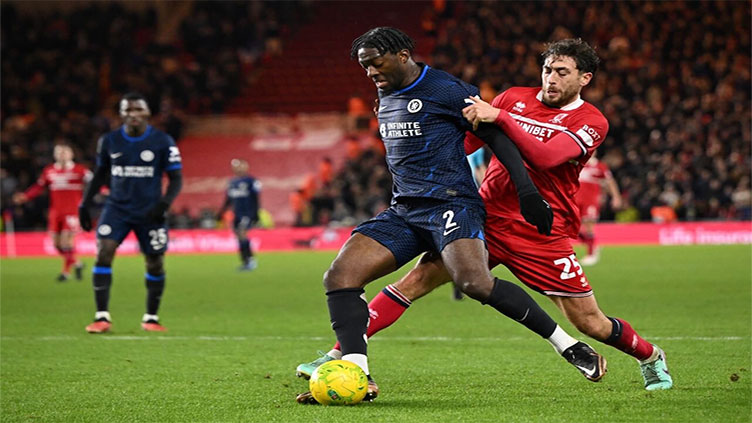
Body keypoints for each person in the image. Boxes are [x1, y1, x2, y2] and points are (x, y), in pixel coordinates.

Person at [298, 38, 672, 392]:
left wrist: (501, 117)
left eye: (562, 72)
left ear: (584, 78)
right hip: (483, 216)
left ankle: (650, 356)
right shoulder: (513, 98)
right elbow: (467, 141)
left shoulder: (591, 121)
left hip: (541, 229)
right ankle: (338, 356)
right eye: (547, 70)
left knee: (590, 322)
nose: (551, 78)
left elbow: (547, 155)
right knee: (415, 282)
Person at [78, 92, 183, 334]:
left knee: (155, 262)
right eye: (128, 110)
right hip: (117, 208)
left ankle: (151, 318)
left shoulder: (162, 141)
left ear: (147, 113)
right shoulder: (110, 140)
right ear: (121, 114)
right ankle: (101, 316)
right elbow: (100, 174)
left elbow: (176, 178)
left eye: (138, 110)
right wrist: (85, 203)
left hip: (150, 211)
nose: (133, 114)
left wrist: (164, 204)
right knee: (104, 251)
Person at [13, 144, 91, 281]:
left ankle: (65, 273)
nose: (62, 155)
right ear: (55, 155)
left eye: (65, 152)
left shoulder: (80, 170)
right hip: (56, 211)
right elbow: (39, 187)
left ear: (71, 154)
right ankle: (77, 263)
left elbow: (95, 182)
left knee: (67, 241)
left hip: (72, 211)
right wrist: (25, 196)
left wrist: (104, 190)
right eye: (59, 152)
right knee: (56, 244)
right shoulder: (49, 171)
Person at [575, 153, 622, 265]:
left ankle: (591, 254)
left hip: (590, 201)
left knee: (589, 226)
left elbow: (610, 182)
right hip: (574, 200)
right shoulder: (576, 163)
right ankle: (593, 245)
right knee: (572, 227)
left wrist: (616, 197)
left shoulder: (599, 166)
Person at [217, 158, 261, 271]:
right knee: (239, 236)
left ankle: (249, 260)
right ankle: (246, 261)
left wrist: (256, 214)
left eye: (240, 166)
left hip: (247, 213)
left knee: (242, 233)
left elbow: (256, 199)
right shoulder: (232, 182)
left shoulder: (251, 181)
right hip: (237, 214)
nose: (238, 168)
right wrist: (221, 212)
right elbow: (228, 199)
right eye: (236, 166)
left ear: (246, 167)